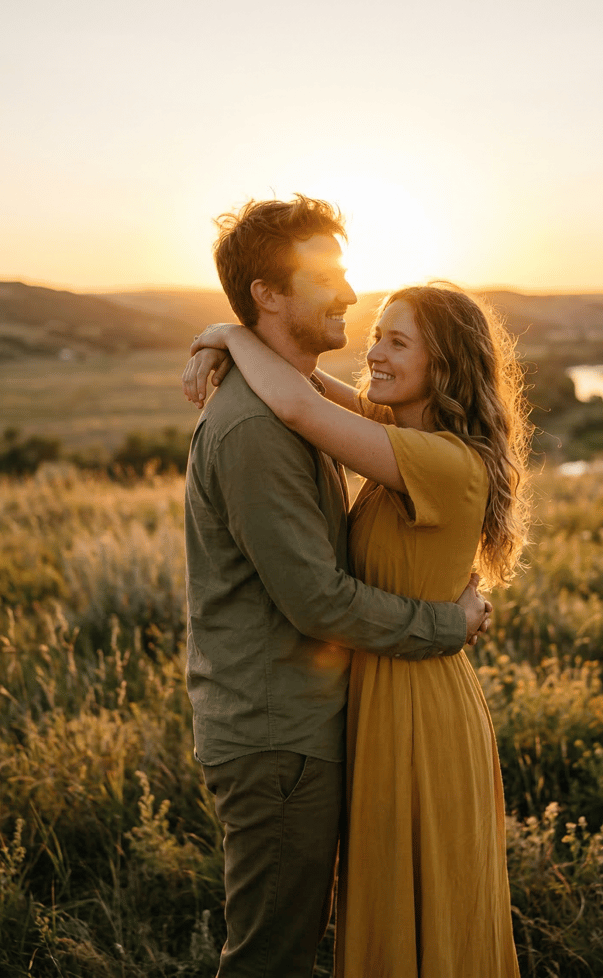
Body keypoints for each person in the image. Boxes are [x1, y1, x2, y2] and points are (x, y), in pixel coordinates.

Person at [185, 267, 531, 976]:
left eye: (398, 342)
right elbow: (307, 388)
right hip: (380, 695)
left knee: (425, 909)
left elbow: (297, 408)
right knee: (386, 908)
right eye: (377, 333)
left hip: (420, 708)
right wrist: (238, 344)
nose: (375, 351)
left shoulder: (441, 461)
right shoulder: (396, 434)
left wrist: (226, 331)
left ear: (445, 367)